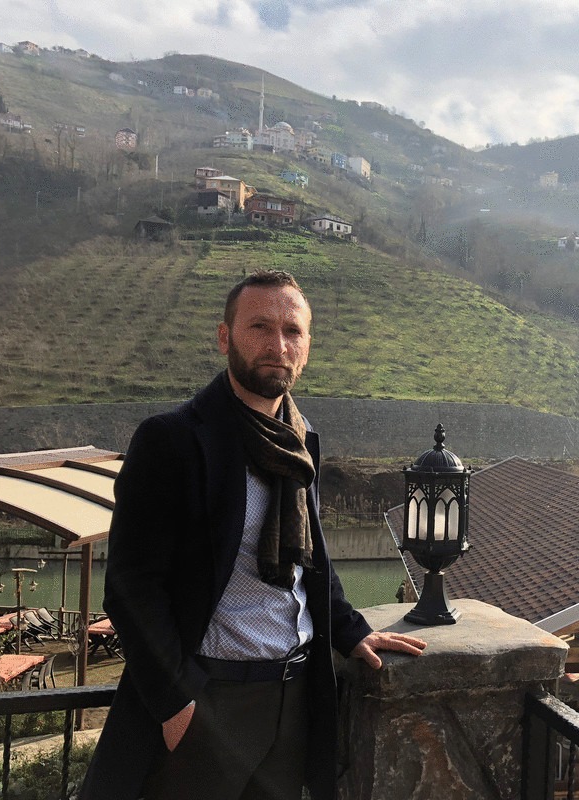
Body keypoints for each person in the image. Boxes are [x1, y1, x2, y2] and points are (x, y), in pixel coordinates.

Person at [80, 270, 427, 800]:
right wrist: (176, 703)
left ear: (307, 346)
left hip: (294, 697)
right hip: (210, 698)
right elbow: (131, 586)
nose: (278, 345)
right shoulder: (172, 440)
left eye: (293, 331)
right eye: (260, 326)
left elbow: (311, 559)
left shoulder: (300, 439)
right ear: (225, 337)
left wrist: (350, 630)